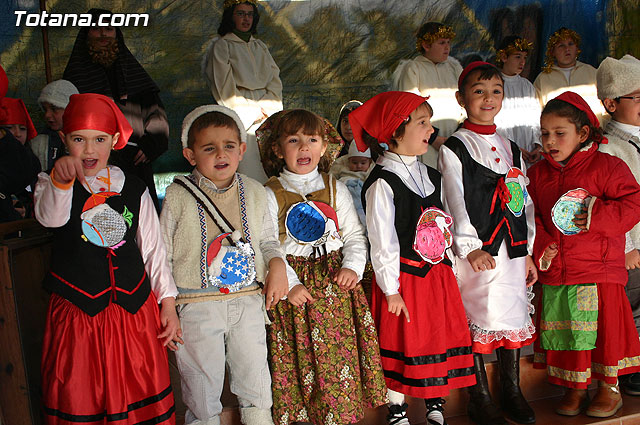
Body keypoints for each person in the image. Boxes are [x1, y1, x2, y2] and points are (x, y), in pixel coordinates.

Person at [34, 93, 181, 424]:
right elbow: (51, 219)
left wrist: (168, 304)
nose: (89, 150)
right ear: (63, 139)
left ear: (114, 140)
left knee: (137, 388)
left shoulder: (134, 188)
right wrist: (61, 182)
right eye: (79, 139)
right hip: (79, 316)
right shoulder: (51, 182)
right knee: (83, 391)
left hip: (133, 314)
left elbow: (153, 250)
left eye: (99, 139)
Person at [351, 91, 475, 425]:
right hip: (404, 278)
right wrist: (391, 289)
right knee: (404, 340)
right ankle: (397, 411)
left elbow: (445, 225)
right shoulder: (382, 182)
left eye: (429, 122)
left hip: (437, 276)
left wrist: (454, 266)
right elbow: (383, 241)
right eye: (422, 122)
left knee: (436, 336)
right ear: (395, 131)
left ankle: (435, 404)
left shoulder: (432, 176)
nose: (430, 130)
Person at [256, 109, 387, 424]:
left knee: (337, 359)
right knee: (302, 358)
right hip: (296, 292)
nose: (304, 147)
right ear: (278, 149)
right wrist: (290, 285)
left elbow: (354, 235)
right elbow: (267, 244)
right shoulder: (270, 193)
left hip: (335, 289)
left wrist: (352, 267)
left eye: (312, 140)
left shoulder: (334, 187)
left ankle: (340, 416)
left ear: (324, 147)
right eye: (294, 140)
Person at [160, 105, 288, 425]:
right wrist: (168, 305)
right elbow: (162, 254)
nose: (221, 154)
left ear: (242, 150)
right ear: (190, 155)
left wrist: (277, 264)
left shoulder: (256, 192)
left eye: (229, 146)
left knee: (256, 378)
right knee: (201, 385)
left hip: (248, 301)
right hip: (196, 304)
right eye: (209, 148)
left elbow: (269, 241)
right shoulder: (177, 195)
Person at [528, 91, 640, 418]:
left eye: (559, 133)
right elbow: (531, 218)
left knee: (603, 333)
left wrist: (594, 214)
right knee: (567, 334)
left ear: (583, 133)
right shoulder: (537, 175)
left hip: (598, 271)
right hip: (558, 271)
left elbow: (632, 204)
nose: (550, 141)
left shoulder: (607, 166)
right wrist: (542, 245)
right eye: (545, 134)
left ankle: (609, 388)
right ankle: (574, 388)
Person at [439, 62, 537, 425]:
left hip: (511, 250)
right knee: (479, 315)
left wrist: (527, 250)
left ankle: (512, 390)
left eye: (496, 91)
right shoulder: (455, 147)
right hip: (479, 252)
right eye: (479, 91)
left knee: (512, 313)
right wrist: (469, 247)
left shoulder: (512, 148)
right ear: (461, 98)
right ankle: (478, 396)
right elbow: (454, 199)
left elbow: (523, 200)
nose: (488, 98)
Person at [63, 8, 170, 210]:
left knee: (139, 215)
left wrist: (152, 143)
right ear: (86, 33)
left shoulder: (134, 72)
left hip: (134, 160)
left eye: (109, 28)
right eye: (96, 28)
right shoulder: (75, 75)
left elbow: (155, 111)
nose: (103, 34)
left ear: (117, 33)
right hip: (92, 161)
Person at [596, 55, 640, 396]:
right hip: (632, 247)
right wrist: (627, 247)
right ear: (611, 103)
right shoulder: (607, 148)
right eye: (637, 98)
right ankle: (632, 369)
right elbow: (608, 204)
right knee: (634, 306)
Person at [203, 0, 283, 182]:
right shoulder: (223, 46)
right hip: (243, 115)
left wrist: (270, 108)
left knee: (273, 166)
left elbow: (275, 79)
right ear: (231, 17)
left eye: (249, 14)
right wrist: (252, 112)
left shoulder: (260, 46)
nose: (246, 19)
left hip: (268, 112)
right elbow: (224, 87)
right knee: (249, 168)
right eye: (240, 14)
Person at [392, 22, 464, 168]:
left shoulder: (454, 68)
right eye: (442, 43)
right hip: (427, 142)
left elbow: (465, 100)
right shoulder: (413, 68)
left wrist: (459, 133)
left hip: (455, 138)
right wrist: (434, 138)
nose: (447, 47)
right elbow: (411, 108)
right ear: (426, 45)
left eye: (448, 42)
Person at [533, 27, 605, 124]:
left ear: (577, 48)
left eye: (571, 44)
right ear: (552, 52)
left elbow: (606, 105)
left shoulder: (592, 72)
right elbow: (536, 112)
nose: (567, 49)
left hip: (591, 131)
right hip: (558, 131)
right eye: (561, 45)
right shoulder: (543, 79)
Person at [0, 65, 41, 222]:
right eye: (9, 128)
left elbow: (27, 173)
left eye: (22, 128)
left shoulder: (23, 160)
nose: (17, 133)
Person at [494, 36, 542, 165]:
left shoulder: (527, 86)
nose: (522, 62)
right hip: (505, 150)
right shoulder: (495, 85)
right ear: (504, 57)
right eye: (517, 57)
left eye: (524, 58)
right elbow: (496, 120)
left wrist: (538, 144)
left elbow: (535, 117)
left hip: (529, 149)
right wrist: (512, 147)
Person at [29, 79, 78, 171]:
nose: (47, 115)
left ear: (71, 109)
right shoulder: (38, 143)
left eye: (54, 109)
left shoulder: (88, 140)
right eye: (45, 109)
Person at [330, 142, 372, 227]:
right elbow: (331, 178)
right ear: (348, 161)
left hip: (361, 190)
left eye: (363, 163)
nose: (359, 166)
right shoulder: (341, 166)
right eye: (354, 163)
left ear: (369, 162)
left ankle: (363, 219)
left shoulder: (371, 170)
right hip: (345, 188)